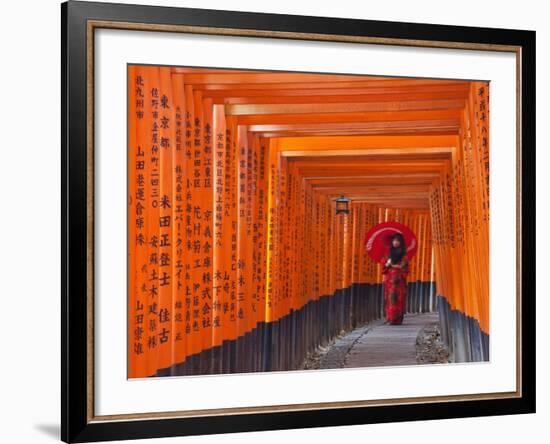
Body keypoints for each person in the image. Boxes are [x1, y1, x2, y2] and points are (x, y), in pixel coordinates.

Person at [382, 232, 409, 325]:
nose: (395, 242)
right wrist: (386, 264)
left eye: (398, 241)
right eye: (394, 240)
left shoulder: (403, 254)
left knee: (397, 298)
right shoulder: (388, 253)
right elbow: (384, 265)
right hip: (389, 279)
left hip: (399, 280)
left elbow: (404, 266)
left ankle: (397, 318)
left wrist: (393, 265)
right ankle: (390, 317)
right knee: (389, 298)